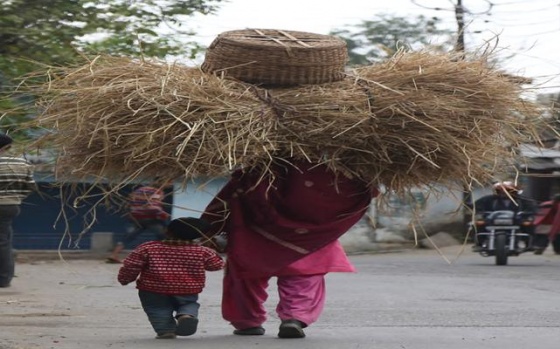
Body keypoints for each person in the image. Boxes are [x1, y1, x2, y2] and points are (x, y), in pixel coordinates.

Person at [201, 160, 378, 339]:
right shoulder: (338, 175)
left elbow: (231, 196)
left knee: (246, 278)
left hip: (256, 238)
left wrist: (207, 228)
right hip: (310, 239)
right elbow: (366, 192)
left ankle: (247, 321)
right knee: (304, 276)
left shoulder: (262, 170)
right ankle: (294, 317)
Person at [117, 217, 225, 339]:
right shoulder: (203, 251)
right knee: (188, 304)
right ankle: (186, 316)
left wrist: (124, 278)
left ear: (167, 231)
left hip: (152, 289)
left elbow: (132, 265)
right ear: (199, 236)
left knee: (157, 309)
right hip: (187, 288)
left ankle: (165, 330)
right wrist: (216, 249)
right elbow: (216, 265)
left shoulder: (148, 248)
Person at [0, 134, 36, 288]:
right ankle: (5, 277)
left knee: (2, 242)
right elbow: (31, 187)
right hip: (11, 206)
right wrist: (15, 198)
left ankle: (3, 278)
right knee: (5, 241)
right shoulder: (21, 162)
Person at [107, 184, 171, 263]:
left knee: (128, 237)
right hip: (150, 219)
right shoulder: (158, 191)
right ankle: (166, 257)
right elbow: (152, 207)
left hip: (136, 218)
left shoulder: (139, 190)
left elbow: (130, 200)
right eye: (170, 182)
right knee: (164, 236)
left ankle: (113, 255)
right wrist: (164, 214)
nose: (171, 184)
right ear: (165, 181)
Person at [471, 181, 537, 252]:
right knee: (479, 223)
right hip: (493, 220)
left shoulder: (522, 200)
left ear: (514, 191)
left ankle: (529, 244)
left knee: (528, 224)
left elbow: (532, 206)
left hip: (515, 220)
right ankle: (479, 244)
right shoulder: (488, 199)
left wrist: (529, 212)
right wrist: (479, 211)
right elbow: (477, 205)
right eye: (501, 191)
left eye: (508, 190)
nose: (504, 193)